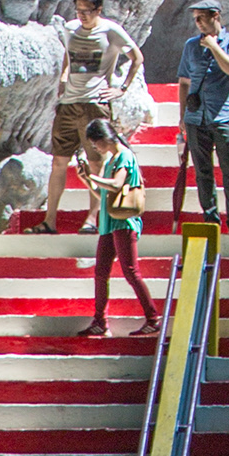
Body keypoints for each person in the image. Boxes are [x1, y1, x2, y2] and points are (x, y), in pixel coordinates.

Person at [44, 0, 139, 226]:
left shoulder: (110, 31)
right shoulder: (70, 28)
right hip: (68, 103)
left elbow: (137, 57)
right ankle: (49, 220)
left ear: (98, 10)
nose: (82, 15)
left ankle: (92, 218)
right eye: (79, 10)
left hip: (95, 104)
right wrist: (64, 78)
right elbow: (69, 54)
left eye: (87, 11)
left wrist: (122, 88)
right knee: (59, 161)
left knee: (96, 161)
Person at [77, 118, 159, 338]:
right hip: (109, 223)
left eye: (96, 144)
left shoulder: (124, 156)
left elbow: (116, 184)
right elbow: (104, 195)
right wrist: (87, 179)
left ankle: (153, 319)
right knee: (101, 272)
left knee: (131, 272)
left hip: (123, 223)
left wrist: (93, 176)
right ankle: (100, 321)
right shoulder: (111, 160)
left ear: (104, 138)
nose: (96, 148)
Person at [178, 0, 229, 234]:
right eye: (195, 19)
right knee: (202, 171)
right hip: (195, 117)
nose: (198, 23)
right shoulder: (191, 46)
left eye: (202, 18)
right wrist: (182, 115)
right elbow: (184, 81)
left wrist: (213, 46)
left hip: (223, 115)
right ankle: (210, 217)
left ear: (216, 16)